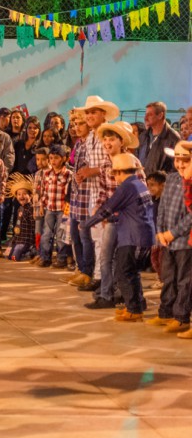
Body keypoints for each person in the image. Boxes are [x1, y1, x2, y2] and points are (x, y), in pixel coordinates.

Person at [82, 153, 155, 322]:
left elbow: (106, 209)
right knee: (132, 272)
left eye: (114, 173)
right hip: (143, 236)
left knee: (123, 272)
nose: (114, 176)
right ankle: (137, 305)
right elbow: (130, 212)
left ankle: (133, 309)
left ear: (119, 172)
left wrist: (86, 224)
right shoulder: (139, 184)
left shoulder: (126, 187)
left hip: (132, 237)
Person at [68, 97, 118, 289]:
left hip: (109, 193)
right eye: (87, 113)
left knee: (106, 239)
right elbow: (93, 164)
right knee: (97, 237)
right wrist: (84, 173)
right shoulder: (89, 138)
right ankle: (99, 277)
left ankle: (106, 279)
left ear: (103, 114)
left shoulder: (109, 135)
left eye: (93, 112)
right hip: (94, 193)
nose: (89, 116)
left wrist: (92, 171)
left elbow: (115, 163)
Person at [147, 142, 192, 336]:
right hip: (168, 240)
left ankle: (181, 317)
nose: (180, 164)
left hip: (184, 241)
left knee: (184, 280)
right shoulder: (172, 178)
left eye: (185, 160)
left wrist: (173, 233)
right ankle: (166, 312)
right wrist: (160, 231)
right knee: (168, 277)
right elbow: (162, 208)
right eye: (177, 160)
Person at [36, 146, 71, 268]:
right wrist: (42, 205)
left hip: (62, 209)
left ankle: (61, 258)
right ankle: (45, 257)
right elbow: (44, 191)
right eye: (51, 158)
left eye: (56, 158)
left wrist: (68, 208)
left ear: (64, 158)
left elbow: (69, 193)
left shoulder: (68, 174)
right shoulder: (47, 174)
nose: (53, 161)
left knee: (61, 234)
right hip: (50, 207)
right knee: (47, 233)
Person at [138, 101, 180, 176]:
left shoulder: (173, 138)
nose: (145, 118)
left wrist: (160, 179)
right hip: (141, 181)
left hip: (161, 182)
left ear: (160, 115)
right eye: (145, 114)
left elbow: (175, 167)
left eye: (150, 114)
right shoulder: (143, 136)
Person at [4, 174, 36, 261]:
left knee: (15, 257)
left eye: (24, 194)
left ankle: (31, 251)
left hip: (26, 240)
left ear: (30, 196)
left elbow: (34, 226)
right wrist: (14, 239)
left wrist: (33, 242)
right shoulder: (19, 209)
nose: (21, 196)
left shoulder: (31, 209)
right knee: (7, 256)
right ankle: (20, 250)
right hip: (18, 239)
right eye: (19, 194)